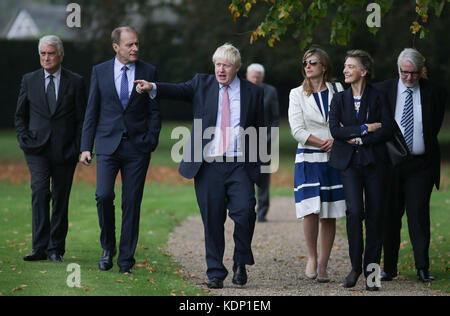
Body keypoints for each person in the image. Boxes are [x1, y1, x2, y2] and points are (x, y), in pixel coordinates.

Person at [135, 43, 265, 289]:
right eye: (217, 64)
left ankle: (240, 261)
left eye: (226, 65)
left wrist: (258, 166)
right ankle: (215, 272)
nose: (221, 69)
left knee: (246, 212)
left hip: (239, 165)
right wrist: (152, 87)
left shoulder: (252, 93)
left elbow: (259, 129)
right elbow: (178, 90)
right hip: (208, 166)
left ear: (236, 67)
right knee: (212, 220)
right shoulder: (201, 84)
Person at [80, 26, 161, 274]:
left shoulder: (148, 71)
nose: (135, 48)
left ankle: (126, 259)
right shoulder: (100, 71)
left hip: (138, 148)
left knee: (131, 202)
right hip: (107, 145)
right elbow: (92, 110)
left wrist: (151, 140)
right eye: (130, 45)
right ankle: (108, 248)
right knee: (103, 195)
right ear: (116, 47)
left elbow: (154, 111)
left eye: (137, 44)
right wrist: (86, 147)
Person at [15, 35, 87, 263]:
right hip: (36, 149)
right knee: (39, 192)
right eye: (43, 53)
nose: (46, 57)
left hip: (65, 150)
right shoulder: (29, 79)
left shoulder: (75, 81)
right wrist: (24, 139)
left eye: (51, 53)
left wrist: (78, 147)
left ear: (61, 55)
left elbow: (81, 119)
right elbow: (20, 115)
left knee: (60, 198)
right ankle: (39, 248)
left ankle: (56, 248)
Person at [377, 48, 447, 283]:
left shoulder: (434, 92)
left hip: (421, 165)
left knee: (418, 216)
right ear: (398, 69)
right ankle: (389, 268)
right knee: (390, 216)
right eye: (405, 73)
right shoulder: (383, 90)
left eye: (414, 73)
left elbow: (433, 126)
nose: (409, 78)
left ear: (421, 71)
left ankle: (422, 267)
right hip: (390, 165)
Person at [328, 50, 394, 291]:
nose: (345, 70)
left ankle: (372, 272)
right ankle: (356, 266)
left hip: (375, 163)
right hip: (349, 165)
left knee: (376, 216)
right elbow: (336, 131)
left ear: (363, 71)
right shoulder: (339, 99)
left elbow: (387, 128)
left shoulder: (379, 95)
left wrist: (358, 137)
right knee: (355, 213)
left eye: (350, 66)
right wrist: (366, 127)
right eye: (345, 66)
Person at [288, 48, 346, 283]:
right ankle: (311, 257)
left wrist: (338, 140)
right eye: (305, 63)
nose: (308, 66)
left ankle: (323, 265)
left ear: (324, 66)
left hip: (334, 157)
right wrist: (322, 142)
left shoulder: (339, 89)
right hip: (309, 157)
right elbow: (297, 130)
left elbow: (347, 120)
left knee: (329, 212)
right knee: (311, 209)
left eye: (313, 62)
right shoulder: (296, 94)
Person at [246, 63, 280, 222]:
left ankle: (262, 211)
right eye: (252, 77)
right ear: (247, 77)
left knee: (263, 177)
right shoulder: (240, 90)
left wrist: (268, 138)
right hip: (244, 140)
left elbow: (275, 118)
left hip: (264, 141)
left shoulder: (270, 91)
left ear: (262, 78)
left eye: (258, 78)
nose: (255, 80)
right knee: (244, 176)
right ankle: (246, 209)